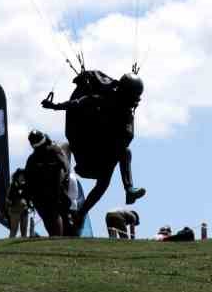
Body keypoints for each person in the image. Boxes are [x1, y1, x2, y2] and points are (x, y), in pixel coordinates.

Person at [41, 68, 146, 232]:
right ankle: (84, 211)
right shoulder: (104, 98)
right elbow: (78, 103)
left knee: (125, 153)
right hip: (87, 156)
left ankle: (127, 190)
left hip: (102, 155)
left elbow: (127, 137)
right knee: (116, 163)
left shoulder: (126, 115)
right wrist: (55, 106)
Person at [24, 131, 74, 237]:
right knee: (50, 219)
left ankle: (57, 239)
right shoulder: (33, 158)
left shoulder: (54, 151)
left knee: (54, 217)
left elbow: (62, 170)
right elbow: (28, 179)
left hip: (53, 194)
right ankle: (56, 238)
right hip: (43, 196)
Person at [5, 168, 32, 238]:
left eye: (24, 176)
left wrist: (29, 205)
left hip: (24, 210)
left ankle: (24, 246)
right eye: (21, 176)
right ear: (17, 176)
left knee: (24, 230)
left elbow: (28, 198)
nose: (23, 177)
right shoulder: (13, 186)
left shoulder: (26, 186)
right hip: (15, 210)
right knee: (14, 230)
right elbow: (10, 198)